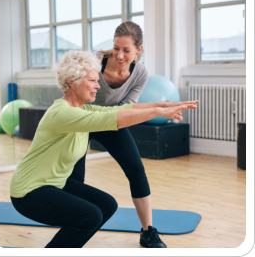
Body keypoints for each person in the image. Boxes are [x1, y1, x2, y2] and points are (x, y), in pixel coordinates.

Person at [10, 50, 198, 248]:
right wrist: (159, 112)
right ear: (72, 81)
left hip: (54, 183)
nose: (98, 86)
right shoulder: (62, 114)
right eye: (92, 80)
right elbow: (113, 119)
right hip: (29, 191)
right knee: (90, 215)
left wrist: (166, 104)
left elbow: (121, 110)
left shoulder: (82, 109)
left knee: (106, 205)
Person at [70, 21, 199, 248]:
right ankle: (72, 225)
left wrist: (161, 107)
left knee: (137, 170)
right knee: (75, 179)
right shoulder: (94, 62)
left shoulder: (139, 73)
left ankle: (148, 232)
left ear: (138, 50)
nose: (120, 55)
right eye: (116, 48)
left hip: (111, 121)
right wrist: (159, 107)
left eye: (126, 50)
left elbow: (126, 109)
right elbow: (72, 95)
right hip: (82, 120)